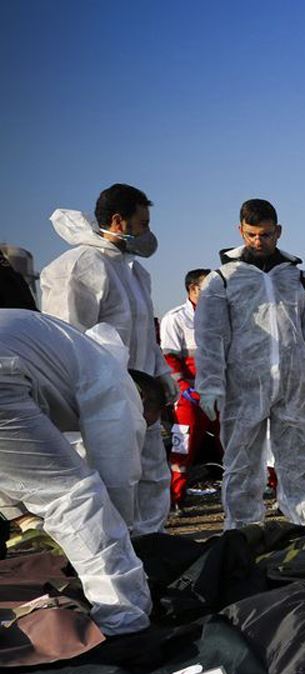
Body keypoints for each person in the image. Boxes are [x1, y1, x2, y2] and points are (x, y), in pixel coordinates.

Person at [0, 307, 157, 634]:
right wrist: (124, 537)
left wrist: (20, 515)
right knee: (72, 498)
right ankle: (125, 622)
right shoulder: (115, 382)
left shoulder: (67, 349)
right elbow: (116, 477)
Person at [195, 199, 305, 532]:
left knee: (297, 463)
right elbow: (211, 337)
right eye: (251, 234)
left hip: (294, 387)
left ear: (278, 231)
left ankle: (301, 531)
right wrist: (211, 384)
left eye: (265, 234)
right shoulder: (224, 279)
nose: (258, 242)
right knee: (242, 465)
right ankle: (242, 534)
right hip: (244, 387)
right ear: (240, 231)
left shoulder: (298, 279)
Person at [39, 183, 173, 535]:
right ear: (119, 221)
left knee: (152, 476)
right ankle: (118, 555)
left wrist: (161, 374)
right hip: (104, 405)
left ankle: (153, 554)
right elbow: (67, 341)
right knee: (112, 484)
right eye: (142, 223)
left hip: (142, 399)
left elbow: (145, 334)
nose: (147, 232)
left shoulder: (133, 272)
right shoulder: (79, 267)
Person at [159, 268, 218, 507]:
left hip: (218, 394)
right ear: (194, 289)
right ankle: (175, 499)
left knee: (236, 443)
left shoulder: (219, 316)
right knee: (182, 447)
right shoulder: (175, 318)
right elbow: (169, 358)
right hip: (189, 398)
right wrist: (184, 388)